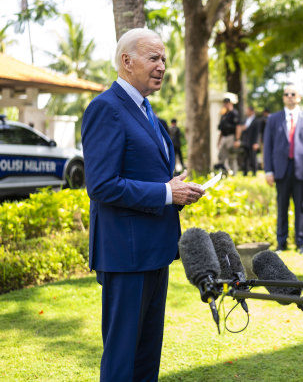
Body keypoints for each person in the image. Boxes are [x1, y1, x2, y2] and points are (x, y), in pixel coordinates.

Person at [81, 28, 205, 380]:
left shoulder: (149, 111)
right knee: (122, 359)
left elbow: (151, 176)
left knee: (147, 358)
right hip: (125, 255)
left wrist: (176, 191)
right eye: (154, 58)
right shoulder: (106, 108)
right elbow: (102, 185)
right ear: (126, 62)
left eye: (164, 59)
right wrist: (166, 193)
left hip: (156, 250)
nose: (162, 66)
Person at [263, 84, 303, 255]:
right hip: (281, 169)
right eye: (286, 94)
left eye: (293, 94)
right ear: (283, 97)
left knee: (300, 208)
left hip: (301, 169)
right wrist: (268, 171)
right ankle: (281, 244)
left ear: (299, 97)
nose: (289, 96)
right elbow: (268, 146)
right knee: (282, 207)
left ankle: (300, 244)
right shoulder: (273, 118)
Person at [217, 97, 241, 174]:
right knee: (221, 156)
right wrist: (219, 141)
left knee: (232, 156)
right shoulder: (223, 115)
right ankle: (223, 174)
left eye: (226, 103)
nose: (225, 105)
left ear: (230, 104)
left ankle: (234, 173)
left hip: (231, 136)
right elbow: (221, 129)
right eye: (224, 103)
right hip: (224, 136)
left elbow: (238, 127)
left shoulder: (234, 113)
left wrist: (237, 139)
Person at [237, 105, 261, 176]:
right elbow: (241, 128)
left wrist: (256, 142)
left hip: (253, 141)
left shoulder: (256, 121)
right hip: (246, 141)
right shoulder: (245, 120)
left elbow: (258, 132)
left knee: (253, 157)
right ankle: (245, 172)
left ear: (251, 111)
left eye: (248, 111)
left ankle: (254, 172)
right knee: (246, 158)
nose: (246, 112)